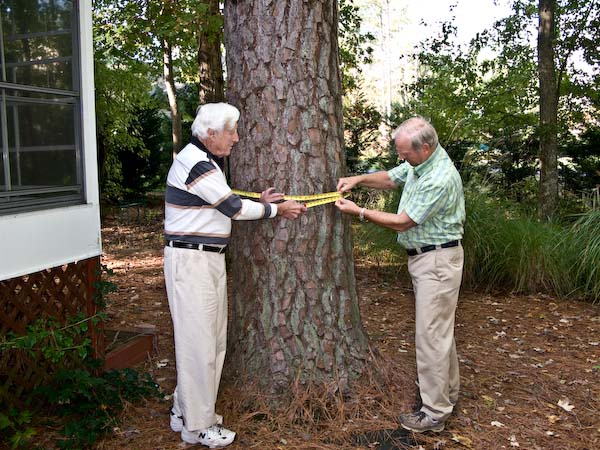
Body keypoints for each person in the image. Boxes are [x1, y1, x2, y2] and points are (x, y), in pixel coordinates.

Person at [164, 102, 306, 447]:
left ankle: (184, 412)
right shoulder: (197, 162)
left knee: (207, 341)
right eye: (231, 132)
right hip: (193, 261)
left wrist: (259, 200)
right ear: (210, 133)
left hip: (202, 260)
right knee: (200, 344)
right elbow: (233, 208)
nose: (237, 139)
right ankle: (200, 426)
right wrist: (276, 209)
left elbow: (216, 203)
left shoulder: (205, 162)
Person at [335, 116, 465, 433]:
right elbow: (392, 178)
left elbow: (403, 222)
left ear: (426, 148)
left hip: (436, 261)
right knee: (438, 334)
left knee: (430, 337)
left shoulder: (438, 177)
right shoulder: (421, 162)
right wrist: (358, 179)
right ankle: (447, 396)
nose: (401, 157)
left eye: (405, 152)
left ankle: (434, 413)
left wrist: (359, 212)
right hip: (431, 260)